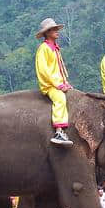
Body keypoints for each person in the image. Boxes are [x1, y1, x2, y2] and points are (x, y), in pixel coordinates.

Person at [34, 17, 73, 146]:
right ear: (48, 32)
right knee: (60, 99)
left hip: (57, 83)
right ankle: (59, 131)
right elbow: (44, 70)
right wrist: (58, 85)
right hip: (50, 85)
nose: (57, 31)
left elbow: (58, 69)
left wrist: (64, 82)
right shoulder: (43, 48)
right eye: (54, 29)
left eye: (57, 29)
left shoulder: (54, 48)